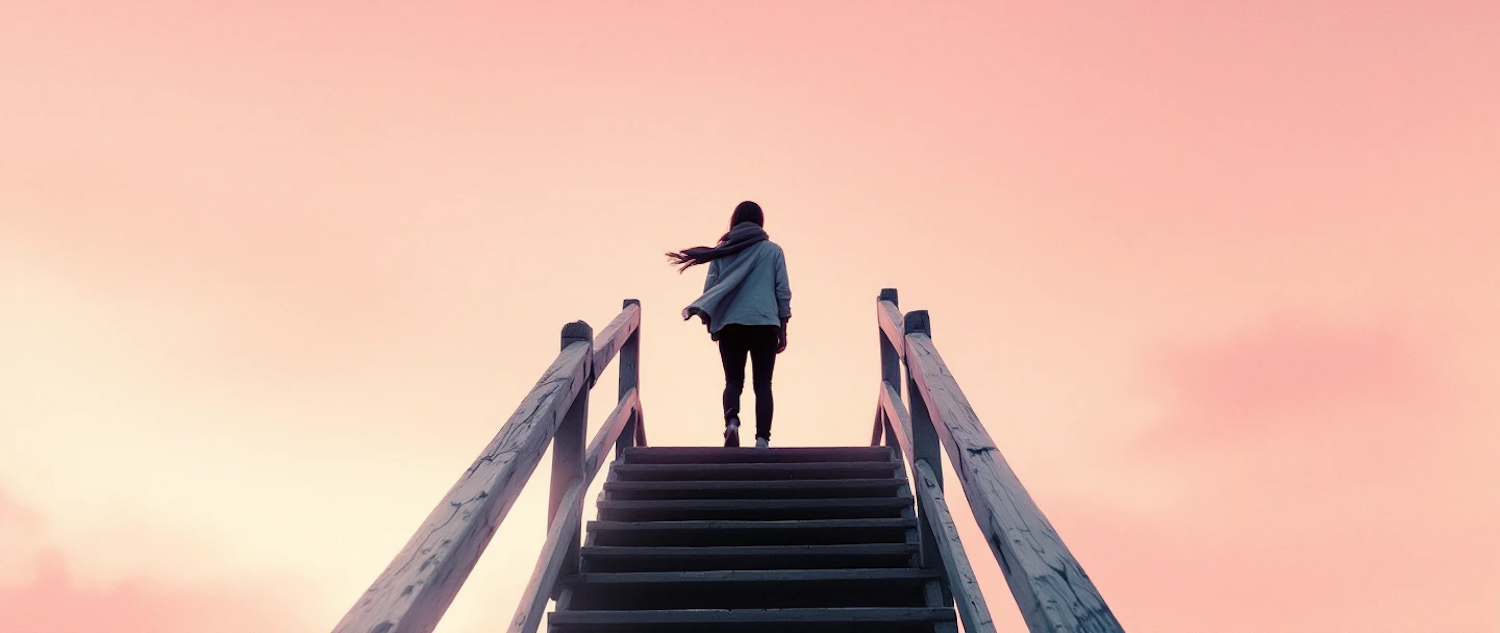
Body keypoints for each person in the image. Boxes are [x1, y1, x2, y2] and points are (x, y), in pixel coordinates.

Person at [666, 201, 791, 448]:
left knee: (733, 381)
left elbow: (711, 289)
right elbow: (782, 291)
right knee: (763, 384)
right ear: (760, 221)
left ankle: (731, 422)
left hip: (730, 325)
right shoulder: (773, 251)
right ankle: (762, 440)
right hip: (765, 323)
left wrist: (712, 323)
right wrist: (783, 326)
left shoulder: (722, 251)